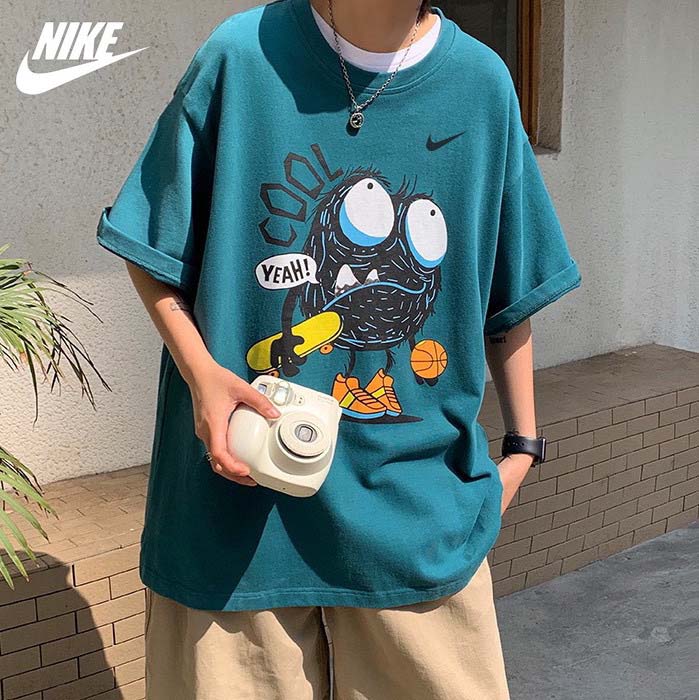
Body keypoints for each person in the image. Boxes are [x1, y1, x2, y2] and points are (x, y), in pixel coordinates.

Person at [96, 0, 582, 697]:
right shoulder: (243, 56)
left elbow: (510, 295)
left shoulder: (480, 83)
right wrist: (202, 375)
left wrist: (522, 451)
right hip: (236, 510)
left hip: (414, 518)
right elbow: (151, 243)